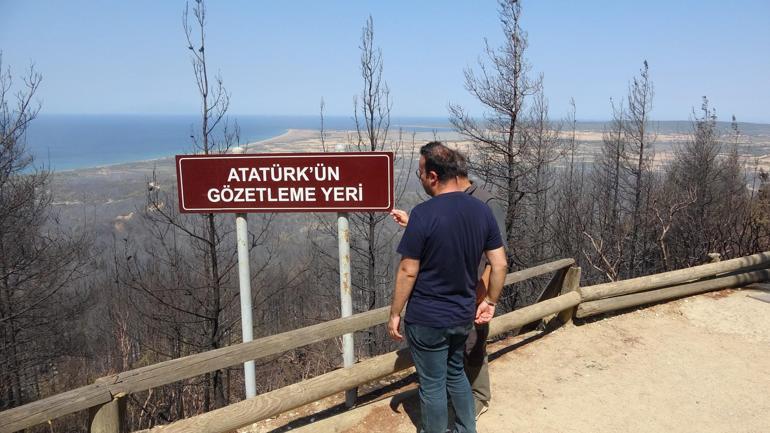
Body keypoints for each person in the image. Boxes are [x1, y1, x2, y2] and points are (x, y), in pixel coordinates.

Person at [388, 142, 507, 433]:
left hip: (428, 317)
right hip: (462, 315)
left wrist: (394, 313)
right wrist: (490, 302)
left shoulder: (424, 213)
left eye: (419, 174)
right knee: (456, 375)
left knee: (432, 386)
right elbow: (500, 264)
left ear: (432, 176)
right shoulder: (482, 210)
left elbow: (407, 269)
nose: (421, 180)